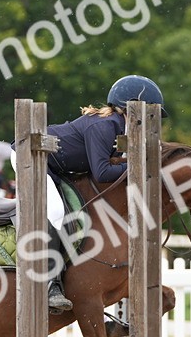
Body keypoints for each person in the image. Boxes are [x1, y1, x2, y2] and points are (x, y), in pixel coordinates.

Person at [14, 73, 168, 313]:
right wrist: (141, 164)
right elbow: (103, 172)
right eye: (149, 117)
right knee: (56, 212)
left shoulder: (119, 129)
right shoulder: (104, 126)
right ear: (131, 110)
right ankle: (50, 284)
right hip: (31, 158)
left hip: (56, 166)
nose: (151, 124)